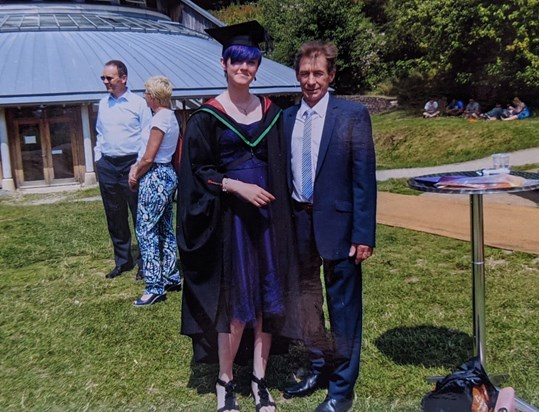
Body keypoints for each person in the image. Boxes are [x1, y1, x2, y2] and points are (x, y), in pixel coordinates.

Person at [177, 21, 297, 412]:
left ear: (258, 67)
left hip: (266, 222)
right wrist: (234, 185)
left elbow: (282, 166)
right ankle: (225, 381)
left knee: (266, 300)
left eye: (251, 63)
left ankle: (260, 380)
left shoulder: (271, 113)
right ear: (224, 64)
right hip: (231, 222)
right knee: (235, 301)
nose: (244, 69)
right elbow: (198, 172)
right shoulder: (207, 117)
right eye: (237, 62)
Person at [282, 41, 377, 412]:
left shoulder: (351, 116)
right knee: (306, 305)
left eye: (318, 73)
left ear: (331, 75)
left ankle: (341, 390)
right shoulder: (286, 118)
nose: (311, 80)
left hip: (339, 228)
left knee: (343, 310)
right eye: (304, 74)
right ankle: (319, 366)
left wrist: (363, 234)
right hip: (298, 225)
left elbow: (363, 180)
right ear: (297, 77)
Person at [95, 60, 151, 280]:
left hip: (132, 166)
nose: (105, 82)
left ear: (123, 78)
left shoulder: (138, 103)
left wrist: (137, 166)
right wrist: (99, 158)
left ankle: (145, 264)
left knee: (140, 216)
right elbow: (99, 133)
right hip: (108, 165)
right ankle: (123, 261)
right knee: (114, 216)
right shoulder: (102, 104)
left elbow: (146, 136)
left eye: (109, 78)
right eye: (104, 78)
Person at [128, 76, 182, 306]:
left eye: (146, 93)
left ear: (152, 96)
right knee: (163, 227)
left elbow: (149, 157)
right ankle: (171, 275)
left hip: (155, 176)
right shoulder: (170, 116)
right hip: (167, 174)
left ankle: (154, 286)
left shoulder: (160, 119)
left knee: (146, 230)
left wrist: (135, 173)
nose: (144, 96)